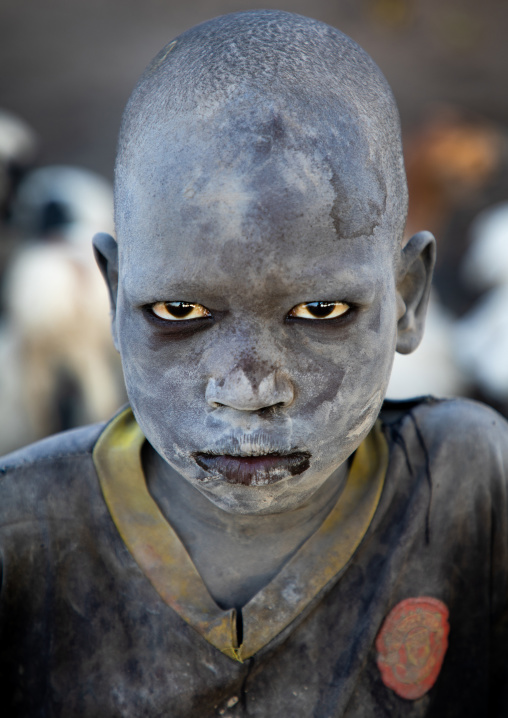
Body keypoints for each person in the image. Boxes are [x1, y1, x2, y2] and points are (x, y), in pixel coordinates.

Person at [0, 10, 507, 717]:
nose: (247, 392)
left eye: (321, 313)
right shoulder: (22, 534)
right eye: (179, 314)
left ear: (407, 298)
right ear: (114, 297)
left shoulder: (473, 490)